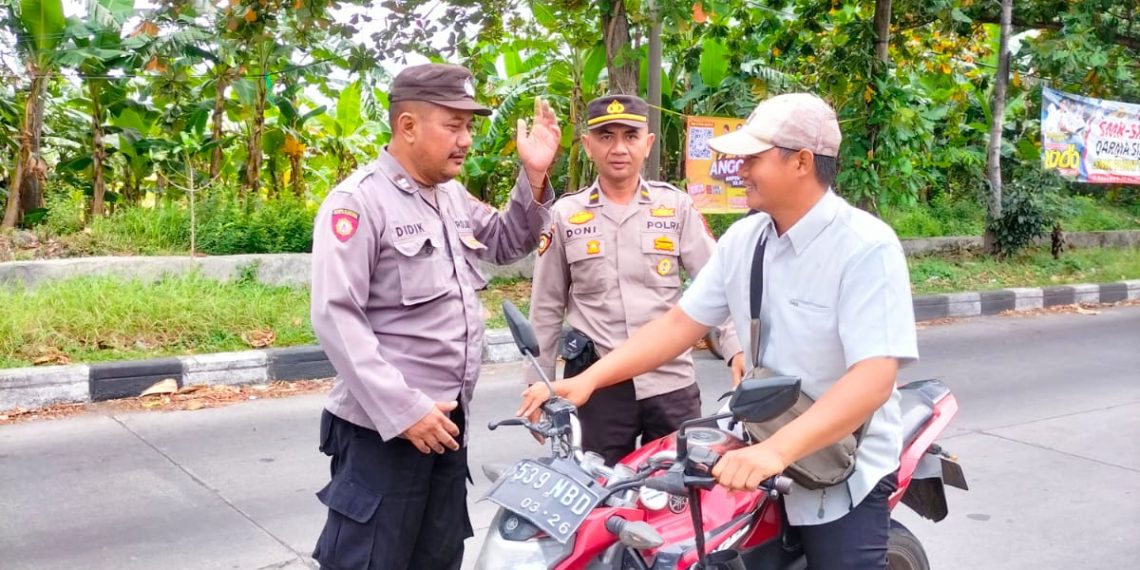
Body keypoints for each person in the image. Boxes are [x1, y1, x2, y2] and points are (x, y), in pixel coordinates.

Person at [518, 92, 918, 569]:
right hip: (757, 443)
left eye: (753, 158)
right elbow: (680, 324)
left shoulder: (866, 247)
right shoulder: (746, 238)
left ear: (802, 162)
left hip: (839, 465)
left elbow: (873, 379)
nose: (739, 169)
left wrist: (775, 452)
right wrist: (588, 380)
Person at [310, 63, 560, 570]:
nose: (466, 139)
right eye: (453, 125)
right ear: (407, 126)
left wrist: (533, 176)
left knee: (437, 557)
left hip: (446, 425)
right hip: (385, 432)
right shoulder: (359, 203)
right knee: (372, 561)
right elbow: (337, 317)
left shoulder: (450, 196)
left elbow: (507, 241)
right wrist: (405, 412)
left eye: (469, 126)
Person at [527, 94, 743, 466]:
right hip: (597, 387)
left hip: (671, 382)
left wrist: (736, 348)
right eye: (606, 136)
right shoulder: (565, 214)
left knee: (680, 499)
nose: (619, 148)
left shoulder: (675, 207)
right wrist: (540, 384)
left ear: (648, 143)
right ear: (588, 145)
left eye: (630, 135)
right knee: (596, 498)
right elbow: (545, 308)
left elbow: (716, 284)